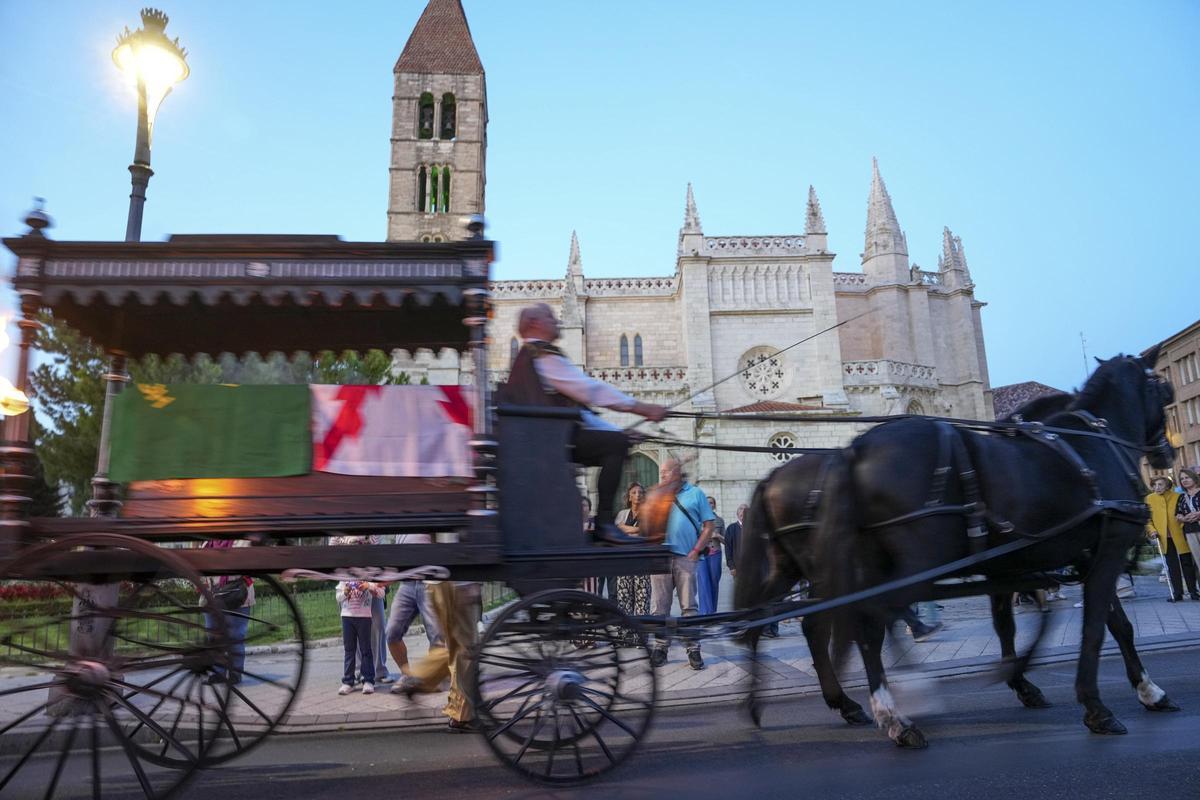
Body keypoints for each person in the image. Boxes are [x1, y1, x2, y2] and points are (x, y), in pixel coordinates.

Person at [496, 303, 667, 543]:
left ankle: (605, 523)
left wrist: (618, 432)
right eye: (550, 317)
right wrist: (642, 407)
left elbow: (576, 412)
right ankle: (605, 524)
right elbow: (590, 391)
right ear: (535, 324)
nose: (556, 321)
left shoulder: (531, 358)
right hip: (552, 443)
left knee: (616, 442)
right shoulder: (542, 354)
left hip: (546, 441)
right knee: (615, 445)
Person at [650, 458, 715, 670]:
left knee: (689, 607)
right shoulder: (657, 495)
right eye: (661, 473)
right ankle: (661, 647)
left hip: (686, 558)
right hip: (660, 558)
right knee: (660, 608)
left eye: (666, 472)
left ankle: (693, 649)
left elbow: (709, 525)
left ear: (677, 473)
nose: (662, 477)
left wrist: (696, 551)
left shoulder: (695, 493)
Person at [395, 580, 482, 732]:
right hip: (460, 581)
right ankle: (460, 716)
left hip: (437, 583)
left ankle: (419, 678)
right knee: (466, 651)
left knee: (456, 648)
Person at [330, 534, 392, 683]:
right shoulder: (338, 528)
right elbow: (331, 550)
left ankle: (380, 670)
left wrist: (364, 540)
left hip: (371, 578)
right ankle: (358, 671)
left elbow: (378, 548)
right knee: (352, 628)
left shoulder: (369, 526)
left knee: (378, 626)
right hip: (348, 580)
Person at [386, 533, 444, 685]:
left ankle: (434, 677)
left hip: (428, 581)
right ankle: (406, 675)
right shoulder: (398, 521)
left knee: (437, 635)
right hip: (407, 583)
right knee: (392, 632)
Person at [201, 538, 254, 684]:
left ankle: (235, 672)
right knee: (214, 636)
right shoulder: (207, 544)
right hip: (213, 596)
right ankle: (218, 672)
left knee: (236, 635)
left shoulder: (241, 542)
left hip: (237, 594)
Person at [1147, 476, 1195, 602]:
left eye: (1160, 484)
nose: (1156, 487)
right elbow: (1147, 519)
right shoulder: (1150, 499)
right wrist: (1152, 531)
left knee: (1187, 563)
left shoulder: (1177, 496)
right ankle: (1177, 593)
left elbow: (1184, 512)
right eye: (1154, 485)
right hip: (1163, 537)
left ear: (1167, 486)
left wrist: (1184, 524)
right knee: (1172, 565)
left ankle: (1193, 591)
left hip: (1179, 534)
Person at [336, 579, 385, 695]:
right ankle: (348, 682)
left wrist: (369, 586)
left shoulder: (368, 576)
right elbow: (338, 597)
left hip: (364, 617)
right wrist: (345, 592)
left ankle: (368, 680)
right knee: (349, 650)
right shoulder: (344, 577)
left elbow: (381, 593)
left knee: (366, 649)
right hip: (347, 617)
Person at [615, 483, 652, 617]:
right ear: (629, 497)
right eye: (634, 493)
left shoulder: (648, 514)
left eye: (641, 493)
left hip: (642, 563)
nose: (638, 495)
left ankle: (641, 635)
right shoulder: (622, 514)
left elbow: (648, 533)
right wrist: (638, 530)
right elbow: (618, 530)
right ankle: (625, 636)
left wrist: (627, 530)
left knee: (642, 602)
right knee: (624, 602)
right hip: (624, 563)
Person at [696, 496, 724, 615]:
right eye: (706, 503)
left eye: (711, 503)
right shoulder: (697, 520)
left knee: (714, 582)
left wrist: (717, 536)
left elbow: (726, 540)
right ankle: (704, 613)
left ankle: (712, 612)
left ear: (714, 505)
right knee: (703, 583)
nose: (709, 505)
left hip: (715, 554)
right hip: (702, 555)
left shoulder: (719, 521)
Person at [1175, 468, 1200, 600]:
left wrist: (1198, 514)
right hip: (1190, 531)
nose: (1184, 480)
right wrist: (1182, 518)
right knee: (1198, 560)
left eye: (1187, 477)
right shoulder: (1182, 497)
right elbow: (1178, 513)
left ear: (1194, 478)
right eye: (1182, 478)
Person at [724, 504, 747, 578]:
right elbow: (728, 548)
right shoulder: (731, 528)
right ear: (737, 513)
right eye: (741, 509)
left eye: (745, 509)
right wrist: (731, 566)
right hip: (737, 567)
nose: (743, 511)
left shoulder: (755, 529)